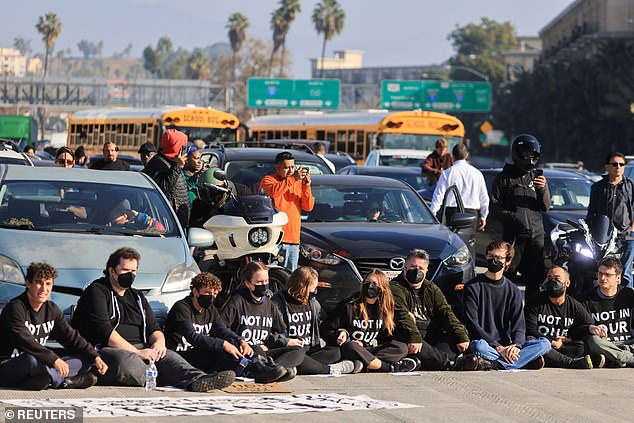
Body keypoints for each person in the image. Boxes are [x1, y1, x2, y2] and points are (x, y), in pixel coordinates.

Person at [71, 247, 235, 391]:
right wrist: (137, 352)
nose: (130, 275)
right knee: (126, 362)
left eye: (134, 271)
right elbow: (104, 331)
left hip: (143, 347)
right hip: (107, 349)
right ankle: (163, 380)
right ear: (112, 271)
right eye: (125, 270)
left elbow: (153, 327)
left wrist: (158, 344)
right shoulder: (97, 291)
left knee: (170, 357)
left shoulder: (136, 296)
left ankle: (198, 379)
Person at [0, 262, 107, 390]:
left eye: (48, 284)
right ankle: (62, 381)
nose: (44, 289)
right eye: (39, 282)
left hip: (41, 364)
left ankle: (45, 380)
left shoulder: (51, 309)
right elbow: (26, 341)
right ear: (28, 283)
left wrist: (94, 356)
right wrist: (53, 360)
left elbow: (71, 337)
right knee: (32, 360)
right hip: (10, 364)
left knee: (84, 360)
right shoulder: (15, 308)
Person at [164, 272, 285, 383]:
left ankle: (261, 365)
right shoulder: (182, 308)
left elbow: (222, 329)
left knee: (237, 343)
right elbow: (193, 337)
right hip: (182, 355)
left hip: (201, 353)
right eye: (207, 293)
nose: (211, 297)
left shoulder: (210, 309)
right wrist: (223, 344)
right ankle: (250, 370)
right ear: (195, 292)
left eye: (214, 294)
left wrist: (240, 341)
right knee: (219, 349)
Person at [391, 249, 486, 371]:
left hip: (430, 334)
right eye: (413, 266)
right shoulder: (395, 287)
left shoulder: (431, 288)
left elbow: (445, 312)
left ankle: (419, 362)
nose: (416, 271)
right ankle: (450, 365)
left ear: (426, 271)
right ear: (405, 267)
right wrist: (414, 337)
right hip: (407, 335)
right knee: (418, 346)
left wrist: (460, 335)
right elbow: (402, 315)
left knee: (454, 345)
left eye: (420, 268)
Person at [464, 240, 551, 370]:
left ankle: (496, 364)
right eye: (490, 256)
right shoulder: (472, 287)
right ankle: (521, 361)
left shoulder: (513, 289)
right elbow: (472, 324)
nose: (494, 261)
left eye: (499, 257)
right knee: (478, 347)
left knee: (545, 344)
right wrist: (497, 347)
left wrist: (516, 346)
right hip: (485, 344)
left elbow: (518, 324)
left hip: (507, 346)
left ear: (508, 261)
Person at [221, 261, 306, 382]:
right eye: (259, 282)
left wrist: (283, 341)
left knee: (298, 351)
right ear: (248, 283)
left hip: (265, 351)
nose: (264, 285)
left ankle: (273, 369)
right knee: (257, 349)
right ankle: (267, 371)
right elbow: (221, 328)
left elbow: (280, 331)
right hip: (247, 350)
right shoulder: (237, 301)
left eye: (266, 281)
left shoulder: (269, 304)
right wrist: (240, 342)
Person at [490, 134, 550, 298]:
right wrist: (513, 217)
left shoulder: (537, 177)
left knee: (535, 280)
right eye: (526, 154)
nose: (529, 158)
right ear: (517, 153)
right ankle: (506, 312)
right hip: (514, 238)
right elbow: (494, 208)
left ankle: (530, 318)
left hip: (536, 237)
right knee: (508, 278)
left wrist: (543, 189)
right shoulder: (503, 178)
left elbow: (545, 207)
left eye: (532, 155)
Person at [271, 266, 360, 375]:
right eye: (313, 288)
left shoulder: (312, 302)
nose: (315, 291)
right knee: (298, 354)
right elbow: (269, 332)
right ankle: (329, 370)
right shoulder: (278, 302)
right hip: (291, 349)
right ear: (302, 287)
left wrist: (341, 332)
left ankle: (300, 366)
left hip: (310, 350)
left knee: (335, 352)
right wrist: (287, 341)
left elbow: (325, 324)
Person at [322, 269, 415, 372]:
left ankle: (364, 364)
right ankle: (389, 367)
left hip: (368, 350)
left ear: (382, 288)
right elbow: (325, 329)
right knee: (352, 346)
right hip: (349, 348)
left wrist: (409, 320)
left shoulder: (384, 308)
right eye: (367, 282)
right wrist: (341, 334)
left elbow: (388, 336)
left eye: (374, 283)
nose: (370, 286)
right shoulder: (349, 305)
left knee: (401, 347)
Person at [524, 267, 594, 369]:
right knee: (531, 341)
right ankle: (569, 363)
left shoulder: (574, 305)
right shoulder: (534, 301)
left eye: (557, 278)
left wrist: (566, 340)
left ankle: (544, 360)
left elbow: (587, 325)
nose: (552, 281)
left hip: (561, 346)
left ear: (567, 283)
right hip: (541, 343)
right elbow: (530, 330)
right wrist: (550, 342)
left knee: (581, 347)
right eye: (549, 278)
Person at [429, 143, 489, 258]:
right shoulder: (477, 173)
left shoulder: (448, 173)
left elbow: (438, 196)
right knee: (469, 244)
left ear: (453, 156)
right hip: (471, 213)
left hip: (452, 213)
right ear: (467, 155)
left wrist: (433, 214)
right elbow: (484, 197)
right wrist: (483, 216)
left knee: (451, 246)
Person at [259, 151, 315, 271]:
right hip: (274, 239)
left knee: (290, 279)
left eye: (292, 167)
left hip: (293, 239)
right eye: (286, 167)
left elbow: (308, 207)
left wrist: (306, 187)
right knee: (273, 275)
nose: (290, 171)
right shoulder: (269, 180)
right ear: (277, 167)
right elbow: (274, 192)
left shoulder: (297, 183)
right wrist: (293, 178)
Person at [586, 152, 634, 289]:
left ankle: (628, 303)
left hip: (626, 237)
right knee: (605, 272)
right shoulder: (598, 187)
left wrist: (632, 231)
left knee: (626, 273)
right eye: (614, 164)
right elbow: (591, 212)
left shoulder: (630, 186)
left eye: (621, 164)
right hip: (603, 237)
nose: (618, 167)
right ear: (607, 166)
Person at [579, 257, 634, 368]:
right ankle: (628, 359)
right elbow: (577, 327)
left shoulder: (628, 294)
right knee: (593, 341)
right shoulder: (586, 299)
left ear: (618, 278)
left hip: (628, 343)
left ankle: (612, 358)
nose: (602, 278)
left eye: (608, 275)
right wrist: (590, 328)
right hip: (603, 344)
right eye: (600, 274)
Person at [143, 129, 190, 229]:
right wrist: (177, 167)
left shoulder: (171, 162)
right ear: (177, 147)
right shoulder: (158, 163)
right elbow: (162, 188)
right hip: (167, 224)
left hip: (177, 222)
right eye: (184, 146)